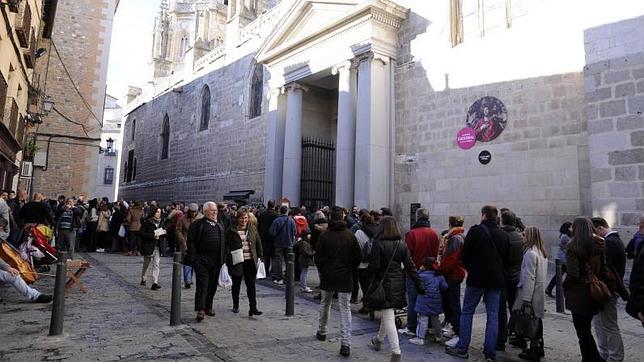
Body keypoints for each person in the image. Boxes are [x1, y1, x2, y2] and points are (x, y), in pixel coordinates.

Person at [445, 205, 509, 361]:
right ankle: (489, 353)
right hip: (496, 280)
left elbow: (465, 256)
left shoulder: (476, 231)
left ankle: (463, 347)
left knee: (467, 312)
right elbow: (507, 258)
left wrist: (472, 269)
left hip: (477, 279)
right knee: (493, 315)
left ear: (484, 215)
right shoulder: (503, 234)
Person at [368, 216, 424, 362]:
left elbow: (373, 267)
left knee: (388, 315)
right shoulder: (401, 244)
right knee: (388, 314)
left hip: (383, 284)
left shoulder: (378, 243)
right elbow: (410, 266)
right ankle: (378, 339)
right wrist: (419, 283)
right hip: (398, 283)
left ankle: (396, 351)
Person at [315, 207, 361, 357]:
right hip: (345, 276)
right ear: (343, 218)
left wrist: (323, 270)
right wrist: (349, 268)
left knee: (325, 303)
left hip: (328, 275)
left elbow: (318, 257)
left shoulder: (325, 236)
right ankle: (345, 343)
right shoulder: (350, 236)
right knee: (345, 309)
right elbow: (358, 258)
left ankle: (322, 331)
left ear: (330, 219)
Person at [563, 217, 607, 361]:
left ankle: (592, 358)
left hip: (579, 293)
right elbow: (603, 269)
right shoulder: (600, 242)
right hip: (595, 290)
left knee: (582, 331)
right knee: (586, 328)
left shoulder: (573, 245)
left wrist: (564, 285)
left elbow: (573, 274)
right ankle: (589, 357)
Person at [399, 208, 441, 337]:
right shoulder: (435, 234)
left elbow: (407, 255)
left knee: (412, 300)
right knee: (428, 299)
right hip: (430, 272)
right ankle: (428, 326)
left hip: (414, 272)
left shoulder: (411, 234)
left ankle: (412, 327)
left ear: (417, 217)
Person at [591, 217, 626, 362]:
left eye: (594, 232)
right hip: (606, 289)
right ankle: (604, 353)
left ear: (599, 229)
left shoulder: (610, 242)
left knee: (609, 325)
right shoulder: (612, 241)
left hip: (608, 290)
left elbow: (602, 268)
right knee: (600, 323)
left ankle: (615, 357)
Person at [512, 226, 548, 360]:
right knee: (536, 322)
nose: (522, 237)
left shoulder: (530, 254)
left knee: (531, 324)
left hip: (530, 294)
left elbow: (529, 277)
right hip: (538, 293)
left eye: (524, 235)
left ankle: (533, 350)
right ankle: (538, 348)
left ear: (530, 236)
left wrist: (526, 299)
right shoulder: (541, 251)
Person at [186, 202, 226, 321]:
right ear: (205, 211)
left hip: (216, 260)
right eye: (212, 210)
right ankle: (200, 309)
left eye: (216, 210)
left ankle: (209, 306)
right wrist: (194, 258)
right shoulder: (197, 224)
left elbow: (224, 241)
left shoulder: (219, 224)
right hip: (202, 260)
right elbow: (191, 241)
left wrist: (224, 258)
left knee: (213, 285)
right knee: (202, 285)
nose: (215, 212)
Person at [225, 210, 263, 316]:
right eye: (242, 218)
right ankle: (236, 305)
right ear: (237, 218)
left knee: (251, 285)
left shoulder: (252, 228)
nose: (244, 220)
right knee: (236, 284)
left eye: (246, 218)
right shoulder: (231, 230)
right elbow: (226, 245)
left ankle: (253, 307)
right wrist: (229, 256)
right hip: (237, 261)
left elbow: (258, 242)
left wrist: (260, 256)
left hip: (250, 260)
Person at [498, 210, 524, 351]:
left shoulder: (501, 236)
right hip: (516, 276)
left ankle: (501, 339)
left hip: (503, 277)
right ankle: (518, 337)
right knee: (515, 308)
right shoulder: (520, 236)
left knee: (501, 310)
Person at [410, 257, 448, 346]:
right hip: (436, 300)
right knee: (435, 319)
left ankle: (420, 338)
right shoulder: (439, 276)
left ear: (424, 266)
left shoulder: (421, 276)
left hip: (424, 301)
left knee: (423, 319)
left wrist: (419, 271)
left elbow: (415, 281)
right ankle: (439, 337)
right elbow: (445, 287)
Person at [440, 215, 466, 345]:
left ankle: (458, 332)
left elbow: (450, 259)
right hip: (456, 273)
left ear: (450, 224)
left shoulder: (455, 238)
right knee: (451, 302)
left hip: (453, 274)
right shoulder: (458, 236)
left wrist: (442, 270)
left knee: (454, 303)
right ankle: (454, 328)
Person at [354, 211, 378, 314]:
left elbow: (355, 247)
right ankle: (372, 304)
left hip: (363, 263)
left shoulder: (359, 232)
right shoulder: (378, 230)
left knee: (365, 286)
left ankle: (367, 306)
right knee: (372, 285)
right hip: (375, 262)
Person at [139, 205, 164, 290]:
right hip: (149, 245)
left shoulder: (162, 222)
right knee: (147, 263)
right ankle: (144, 278)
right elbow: (142, 233)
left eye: (160, 212)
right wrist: (152, 236)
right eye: (157, 212)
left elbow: (165, 233)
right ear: (153, 213)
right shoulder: (147, 222)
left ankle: (155, 282)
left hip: (158, 246)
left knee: (156, 264)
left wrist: (164, 233)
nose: (159, 214)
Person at [269, 205, 295, 285]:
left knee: (278, 261)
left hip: (279, 243)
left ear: (280, 211)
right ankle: (288, 277)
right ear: (287, 211)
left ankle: (279, 277)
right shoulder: (291, 221)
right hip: (289, 243)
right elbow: (295, 232)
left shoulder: (276, 221)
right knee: (289, 261)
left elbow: (271, 232)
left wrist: (276, 235)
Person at [545, 222, 572, 297]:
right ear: (567, 228)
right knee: (570, 274)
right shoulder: (565, 236)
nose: (572, 228)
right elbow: (565, 247)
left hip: (563, 258)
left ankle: (549, 288)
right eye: (571, 227)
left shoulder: (565, 235)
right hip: (564, 259)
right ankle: (563, 289)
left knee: (558, 275)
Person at [176, 203, 200, 288]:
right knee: (187, 261)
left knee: (195, 261)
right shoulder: (182, 218)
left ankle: (191, 278)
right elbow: (178, 230)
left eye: (194, 212)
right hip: (186, 242)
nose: (193, 213)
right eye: (191, 212)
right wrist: (182, 240)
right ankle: (188, 280)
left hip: (198, 243)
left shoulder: (201, 218)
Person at [257, 200, 278, 276]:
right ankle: (273, 271)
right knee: (273, 256)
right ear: (273, 205)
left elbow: (258, 226)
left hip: (263, 238)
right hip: (272, 238)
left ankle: (264, 271)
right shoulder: (276, 215)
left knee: (265, 256)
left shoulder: (262, 214)